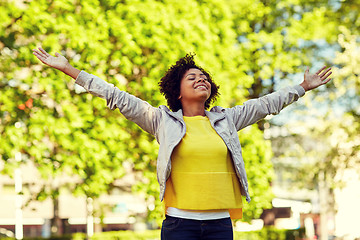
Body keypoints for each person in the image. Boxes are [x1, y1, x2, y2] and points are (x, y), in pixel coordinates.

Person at [33, 47, 332, 240]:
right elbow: (116, 96)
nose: (201, 79)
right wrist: (69, 70)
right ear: (177, 91)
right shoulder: (161, 121)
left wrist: (302, 87)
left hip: (219, 225)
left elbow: (267, 104)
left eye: (204, 78)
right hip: (180, 226)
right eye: (193, 77)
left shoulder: (228, 120)